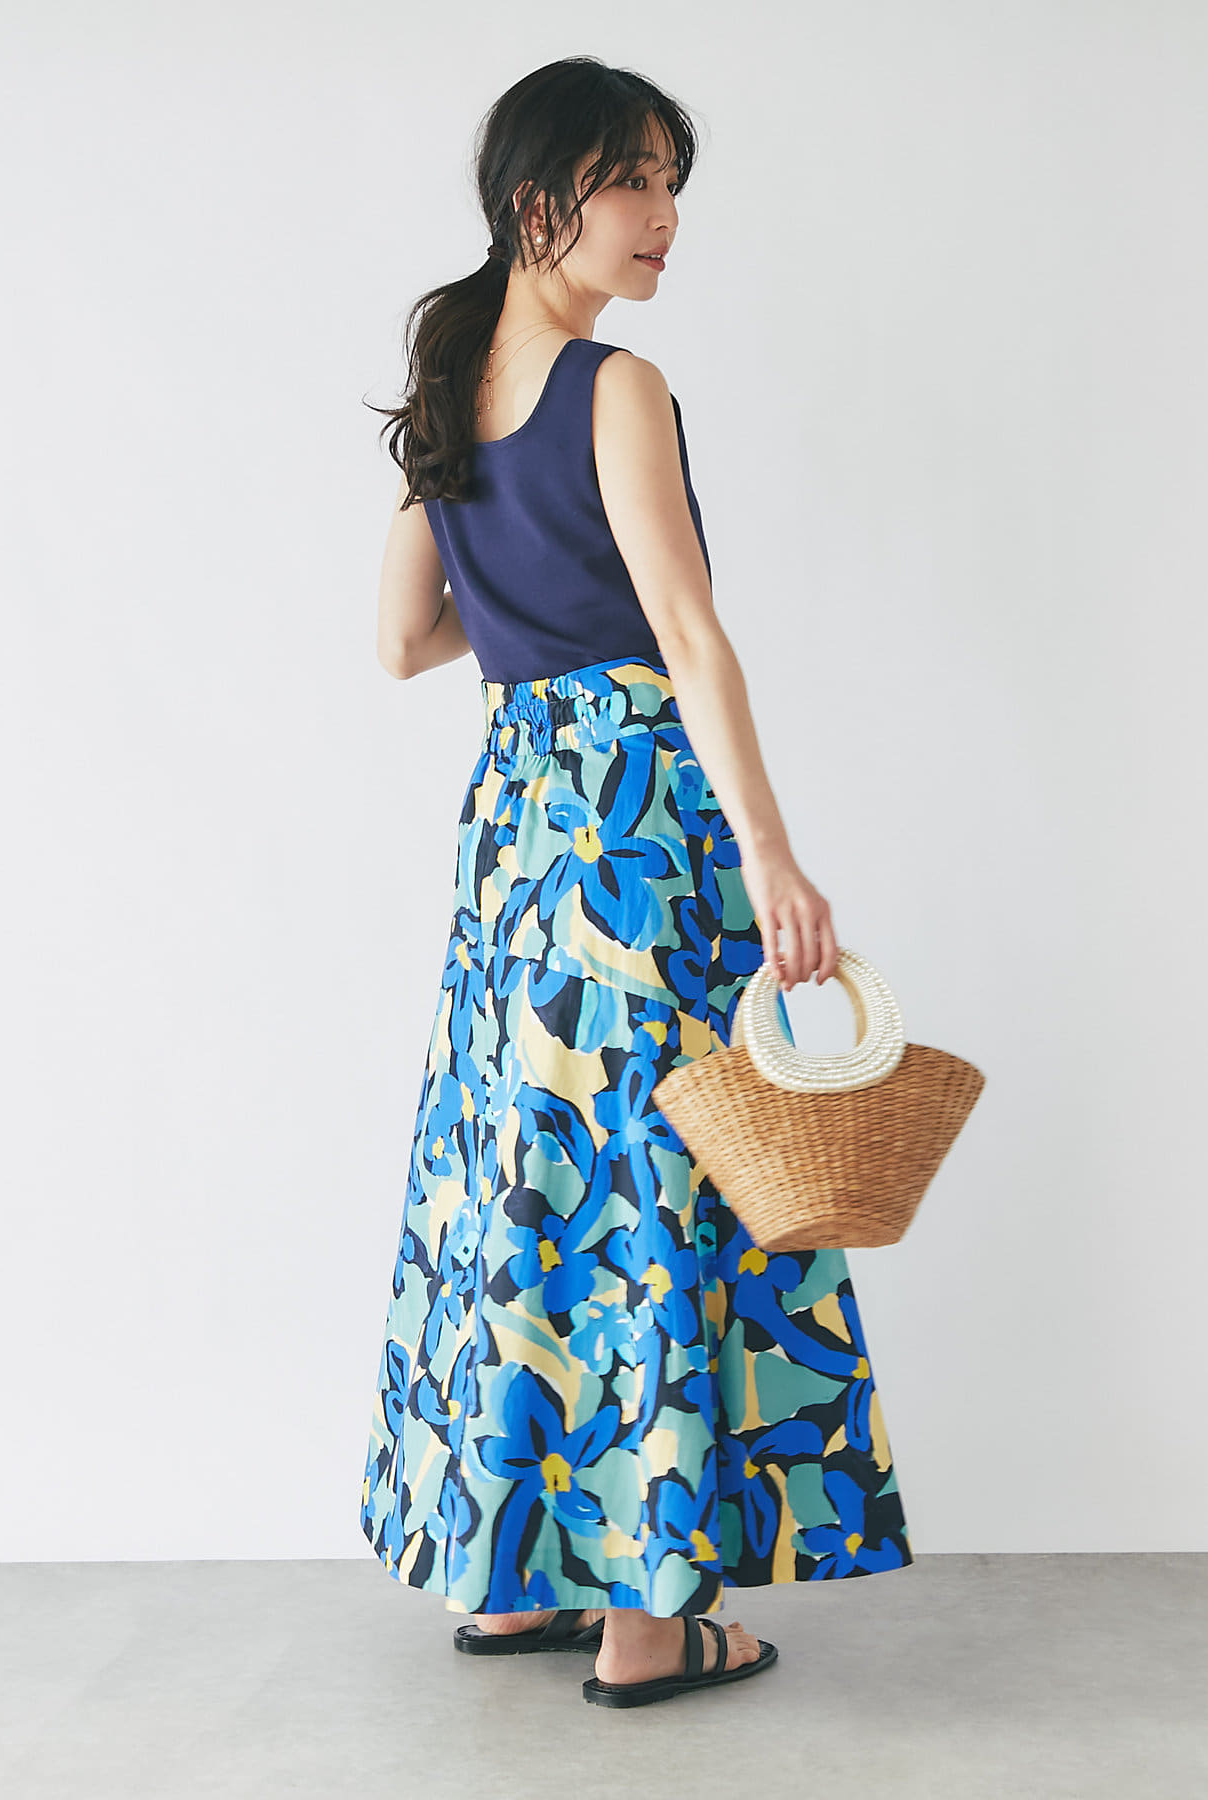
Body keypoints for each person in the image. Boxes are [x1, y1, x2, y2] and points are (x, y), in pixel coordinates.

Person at [360, 55, 914, 1709]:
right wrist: (774, 854)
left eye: (673, 182)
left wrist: (523, 615)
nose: (664, 215)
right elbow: (685, 632)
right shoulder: (616, 385)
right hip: (638, 820)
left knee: (527, 1175)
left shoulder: (449, 368)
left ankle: (515, 1577)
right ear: (542, 199)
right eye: (634, 180)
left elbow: (403, 640)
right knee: (665, 1177)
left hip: (518, 827)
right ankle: (650, 1624)